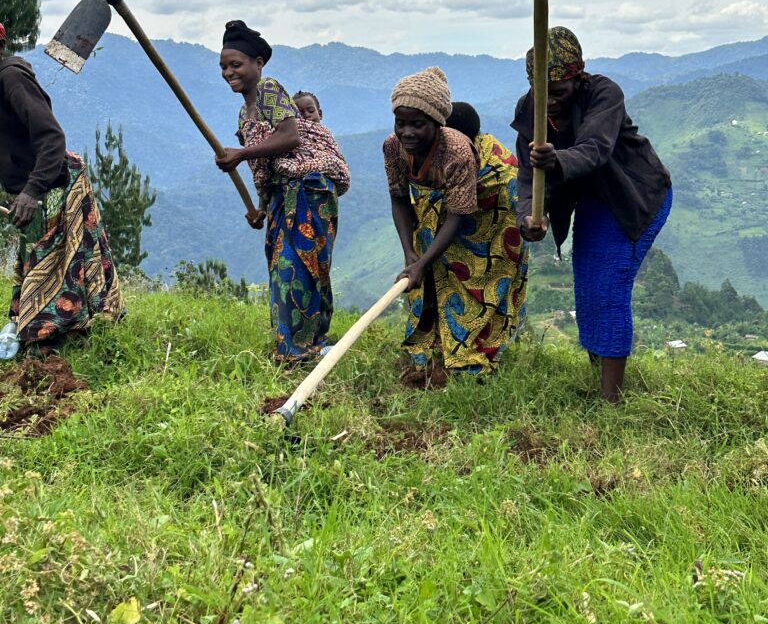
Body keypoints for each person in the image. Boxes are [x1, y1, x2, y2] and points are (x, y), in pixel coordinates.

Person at [512, 26, 672, 402]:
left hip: (633, 195)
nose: (549, 101)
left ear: (579, 74)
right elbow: (526, 175)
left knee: (609, 287)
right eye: (541, 92)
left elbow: (595, 148)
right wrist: (529, 218)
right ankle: (600, 374)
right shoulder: (528, 110)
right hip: (591, 201)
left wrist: (555, 159)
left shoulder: (604, 92)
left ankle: (610, 400)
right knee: (587, 285)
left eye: (559, 92)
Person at [216, 21, 350, 362]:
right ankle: (298, 345)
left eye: (236, 64)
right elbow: (266, 166)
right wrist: (259, 206)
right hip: (280, 195)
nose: (229, 72)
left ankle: (305, 347)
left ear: (258, 64)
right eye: (223, 67)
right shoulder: (243, 114)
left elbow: (291, 137)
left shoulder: (269, 91)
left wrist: (242, 153)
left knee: (304, 267)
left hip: (308, 188)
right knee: (284, 270)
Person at [383, 67, 528, 381]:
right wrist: (411, 255)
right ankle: (430, 345)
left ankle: (470, 356)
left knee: (477, 276)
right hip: (445, 203)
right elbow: (399, 197)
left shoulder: (459, 151)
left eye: (417, 125)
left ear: (438, 125)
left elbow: (459, 213)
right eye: (400, 123)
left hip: (493, 206)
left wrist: (423, 261)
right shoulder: (393, 147)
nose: (406, 132)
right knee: (429, 273)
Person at [0, 22, 123, 355]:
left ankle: (45, 343)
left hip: (51, 185)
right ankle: (46, 335)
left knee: (52, 266)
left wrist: (31, 191)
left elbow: (52, 137)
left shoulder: (10, 77)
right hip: (29, 187)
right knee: (38, 264)